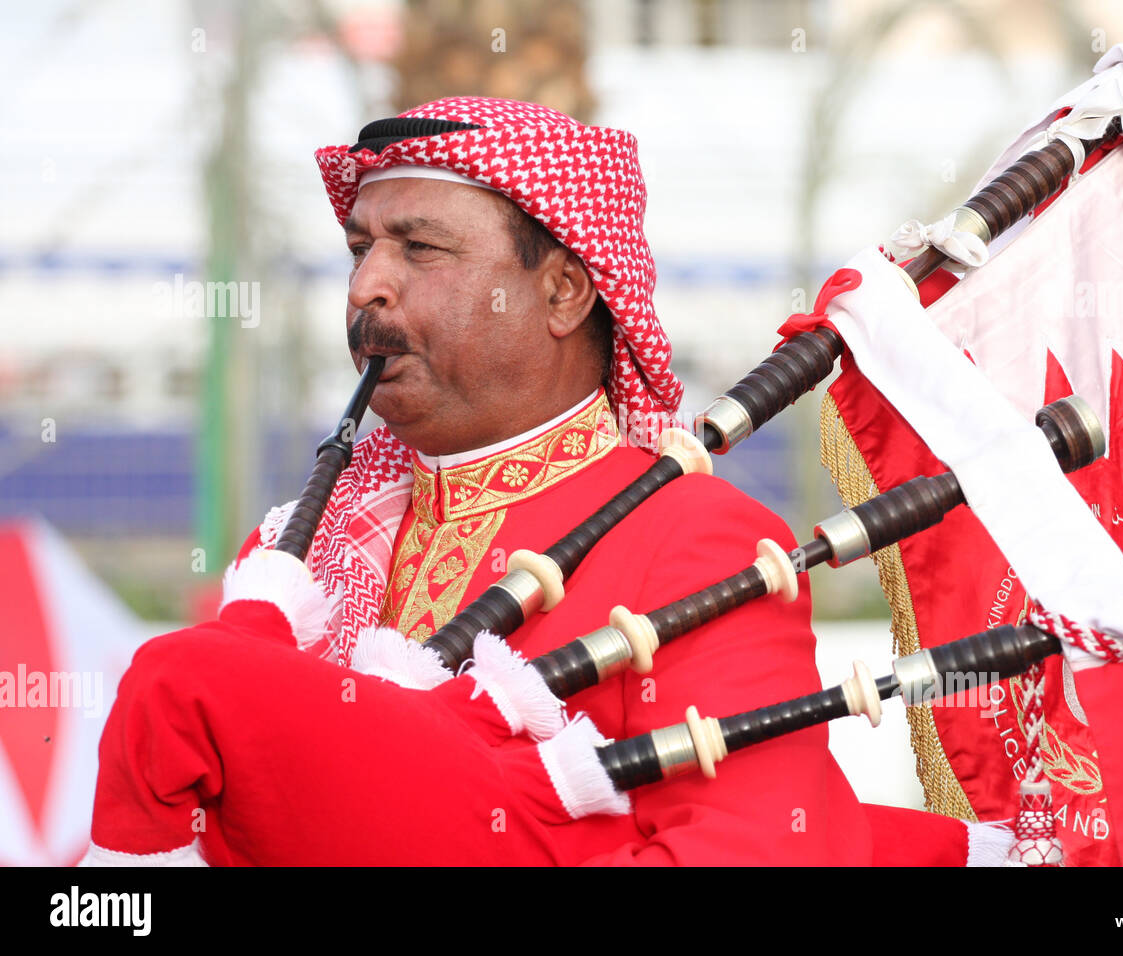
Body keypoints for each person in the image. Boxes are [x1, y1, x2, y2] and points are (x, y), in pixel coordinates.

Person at [83, 97, 999, 866]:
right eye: (361, 248)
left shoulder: (696, 538)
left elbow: (752, 850)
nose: (367, 286)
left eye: (420, 249)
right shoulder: (298, 554)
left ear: (564, 292)